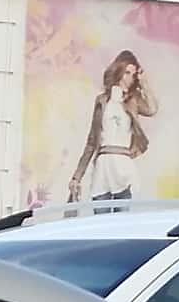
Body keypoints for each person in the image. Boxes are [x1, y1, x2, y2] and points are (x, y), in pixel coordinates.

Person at [64, 51, 156, 207]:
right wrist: (76, 177)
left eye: (132, 75)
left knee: (121, 222)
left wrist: (144, 83)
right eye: (126, 72)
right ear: (118, 70)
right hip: (103, 165)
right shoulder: (102, 101)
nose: (129, 78)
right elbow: (92, 142)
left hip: (123, 165)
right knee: (99, 219)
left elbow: (152, 109)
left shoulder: (133, 100)